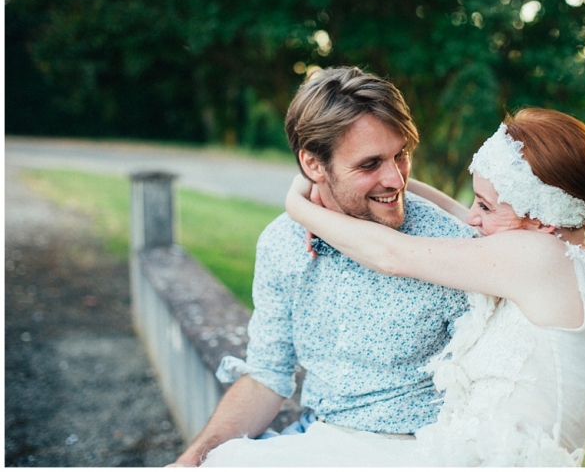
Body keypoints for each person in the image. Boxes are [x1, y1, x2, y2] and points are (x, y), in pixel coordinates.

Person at [202, 107, 585, 467]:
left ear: (543, 219)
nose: (471, 219)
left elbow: (391, 255)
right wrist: (337, 182)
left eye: (486, 206)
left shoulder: (537, 259)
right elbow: (458, 214)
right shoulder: (562, 257)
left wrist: (298, 203)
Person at [170, 67, 473, 467]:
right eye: (370, 164)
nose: (396, 179)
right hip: (320, 437)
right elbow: (267, 376)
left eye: (401, 155)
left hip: (422, 449)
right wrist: (189, 460)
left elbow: (485, 398)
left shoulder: (451, 246)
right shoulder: (283, 244)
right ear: (314, 166)